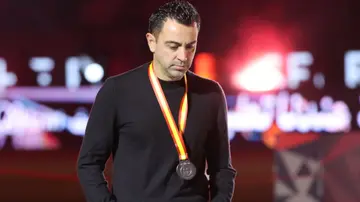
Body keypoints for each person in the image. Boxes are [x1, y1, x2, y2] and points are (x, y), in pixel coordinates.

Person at [76, 1, 237, 202]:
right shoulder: (117, 91)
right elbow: (89, 163)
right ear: (151, 41)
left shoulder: (211, 94)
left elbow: (221, 168)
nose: (183, 56)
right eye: (173, 46)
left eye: (190, 46)